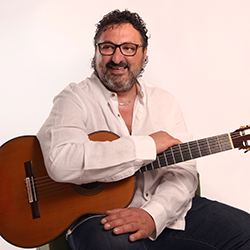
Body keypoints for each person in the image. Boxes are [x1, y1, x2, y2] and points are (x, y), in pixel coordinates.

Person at [37, 9, 250, 250]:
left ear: (144, 53)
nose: (118, 58)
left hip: (167, 215)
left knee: (245, 231)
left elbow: (183, 174)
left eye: (129, 48)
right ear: (96, 51)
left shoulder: (165, 102)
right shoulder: (74, 99)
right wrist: (147, 145)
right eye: (108, 47)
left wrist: (152, 215)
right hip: (97, 217)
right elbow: (61, 162)